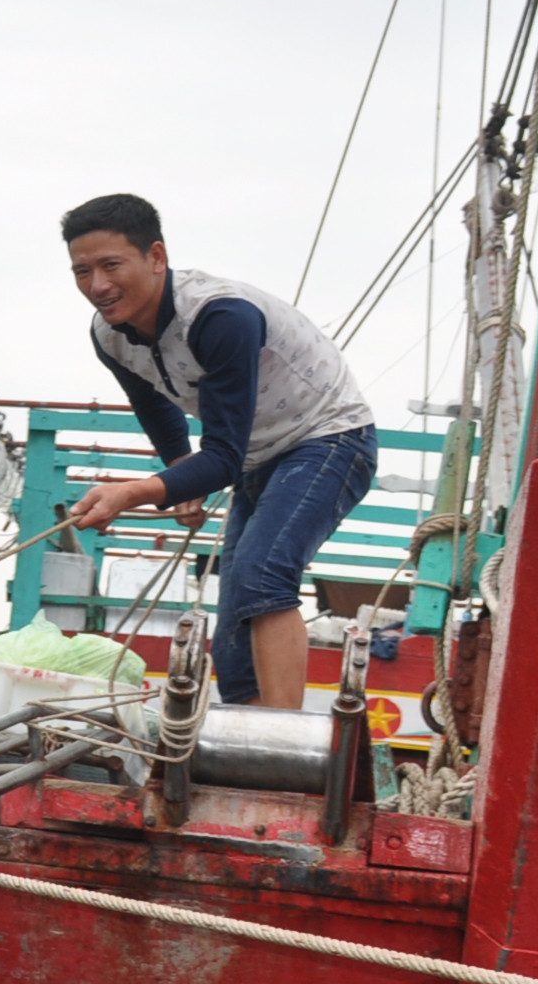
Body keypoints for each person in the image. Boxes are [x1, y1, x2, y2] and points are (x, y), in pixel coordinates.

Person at [65, 192, 378, 708]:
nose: (97, 286)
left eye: (111, 265)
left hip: (329, 439)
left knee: (263, 577)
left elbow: (224, 457)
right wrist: (178, 468)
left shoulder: (220, 316)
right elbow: (155, 401)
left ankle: (284, 743)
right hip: (260, 457)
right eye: (81, 271)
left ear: (157, 257)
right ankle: (244, 749)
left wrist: (141, 492)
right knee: (233, 630)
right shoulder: (110, 335)